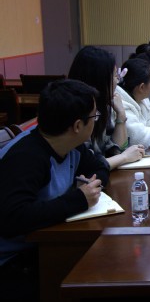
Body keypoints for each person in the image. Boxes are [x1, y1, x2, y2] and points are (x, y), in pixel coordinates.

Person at [0, 80, 110, 301]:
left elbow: (100, 165)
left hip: (41, 243)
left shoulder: (69, 145)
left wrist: (94, 184)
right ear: (77, 126)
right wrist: (79, 199)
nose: (96, 121)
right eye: (94, 116)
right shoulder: (27, 157)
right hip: (12, 261)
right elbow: (13, 218)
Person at [68, 46, 145, 170]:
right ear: (99, 79)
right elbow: (87, 165)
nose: (118, 81)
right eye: (115, 76)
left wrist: (121, 115)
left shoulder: (103, 105)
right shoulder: (76, 110)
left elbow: (116, 148)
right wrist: (124, 157)